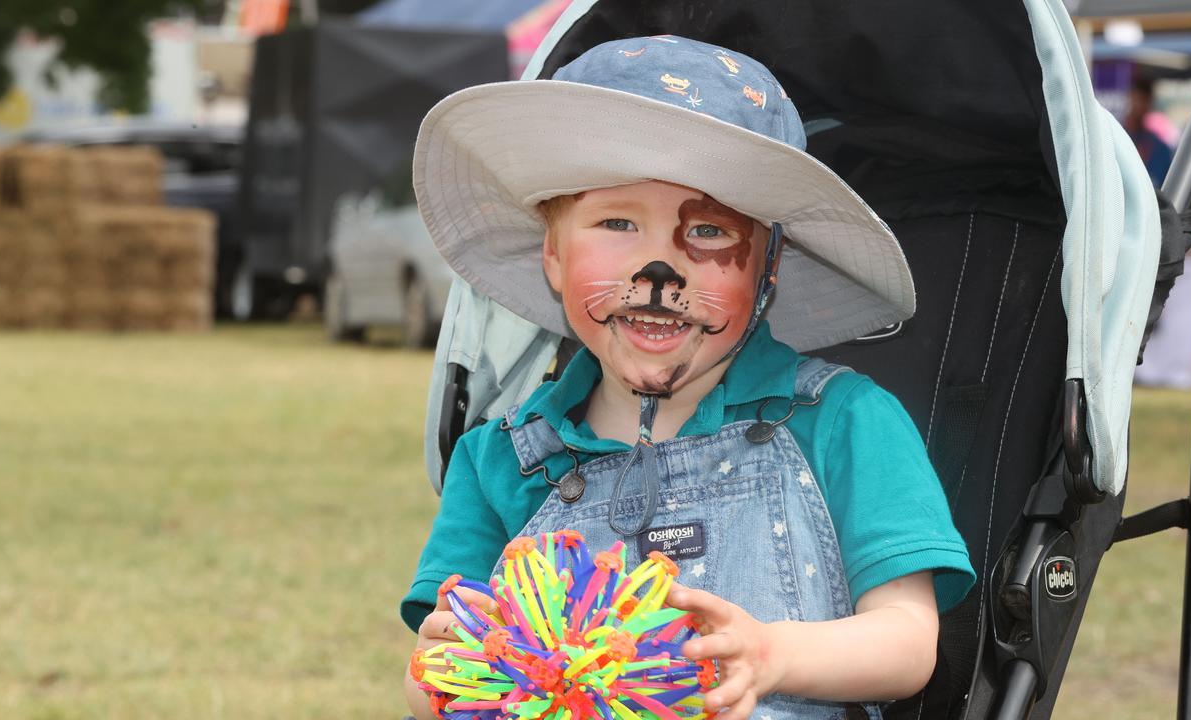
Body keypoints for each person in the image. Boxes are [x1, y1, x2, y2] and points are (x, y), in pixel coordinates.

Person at [400, 35, 975, 720]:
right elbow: (433, 673)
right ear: (553, 254)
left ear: (769, 265)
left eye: (707, 232)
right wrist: (449, 667)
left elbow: (908, 646)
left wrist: (773, 656)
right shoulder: (501, 460)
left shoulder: (845, 421)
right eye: (616, 222)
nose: (658, 271)